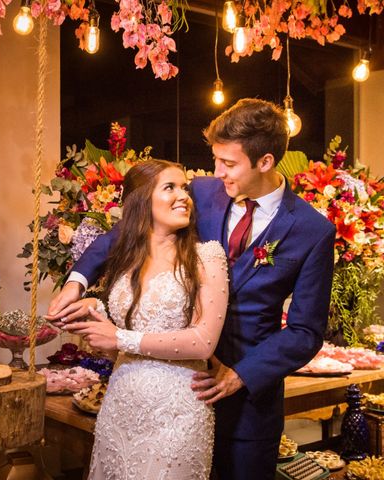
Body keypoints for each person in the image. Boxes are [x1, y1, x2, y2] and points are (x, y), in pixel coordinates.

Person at [48, 99, 336, 480]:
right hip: (176, 385)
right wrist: (77, 280)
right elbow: (127, 229)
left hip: (248, 398)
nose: (217, 172)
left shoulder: (312, 231)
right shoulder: (201, 193)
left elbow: (305, 331)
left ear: (265, 161)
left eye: (229, 164)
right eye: (216, 159)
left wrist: (241, 374)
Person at [50, 159, 229, 479]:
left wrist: (119, 338)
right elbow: (122, 333)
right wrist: (92, 313)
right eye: (170, 187)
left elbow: (203, 343)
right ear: (141, 202)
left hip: (177, 415)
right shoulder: (125, 258)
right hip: (120, 406)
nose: (184, 196)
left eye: (185, 188)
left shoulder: (207, 256)